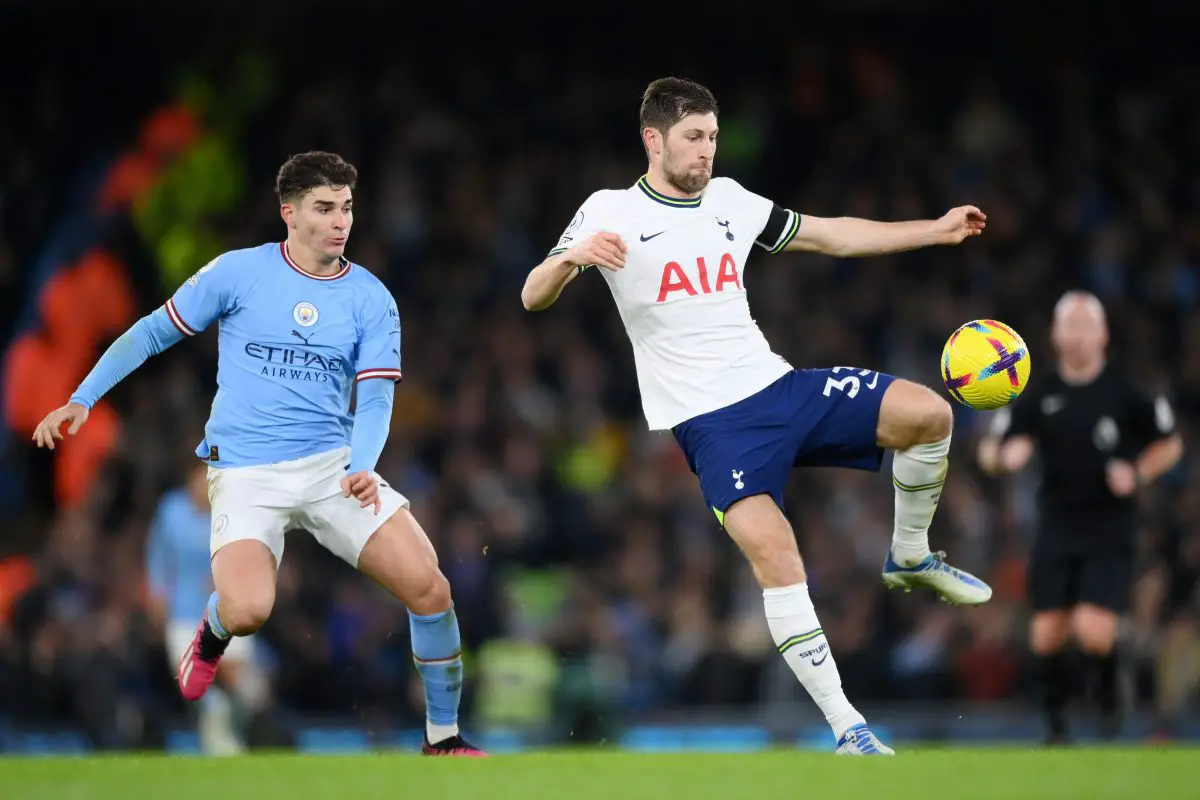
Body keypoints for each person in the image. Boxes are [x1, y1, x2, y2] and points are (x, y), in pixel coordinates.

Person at [520, 77, 992, 755]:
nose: (707, 150)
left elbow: (830, 237)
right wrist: (572, 258)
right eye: (693, 137)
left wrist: (936, 230)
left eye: (712, 136)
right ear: (653, 139)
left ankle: (910, 553)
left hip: (780, 388)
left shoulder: (731, 201)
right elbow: (533, 295)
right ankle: (849, 729)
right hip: (714, 425)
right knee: (779, 556)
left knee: (930, 415)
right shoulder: (609, 210)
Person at [33, 151, 484, 756]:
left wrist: (362, 464)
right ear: (289, 213)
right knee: (248, 610)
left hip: (332, 468)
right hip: (245, 471)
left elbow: (374, 398)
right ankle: (214, 631)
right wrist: (83, 398)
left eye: (346, 208)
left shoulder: (372, 298)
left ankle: (443, 739)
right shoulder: (237, 273)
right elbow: (152, 331)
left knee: (430, 587)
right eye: (324, 209)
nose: (339, 221)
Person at [977, 290, 1183, 744]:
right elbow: (993, 448)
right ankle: (1056, 730)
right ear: (1055, 335)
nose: (1078, 334)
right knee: (1046, 636)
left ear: (1103, 334)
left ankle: (1110, 712)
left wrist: (1137, 471)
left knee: (1093, 632)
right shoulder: (1040, 394)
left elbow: (1170, 444)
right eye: (1070, 325)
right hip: (1056, 526)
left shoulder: (1127, 392)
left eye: (1086, 325)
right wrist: (1004, 457)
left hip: (1110, 527)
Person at [146, 460, 268, 755]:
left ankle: (230, 736)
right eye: (201, 477)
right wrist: (156, 595)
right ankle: (219, 743)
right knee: (201, 681)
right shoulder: (171, 511)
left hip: (228, 611)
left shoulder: (232, 511)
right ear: (190, 479)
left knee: (250, 691)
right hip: (184, 615)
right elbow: (158, 558)